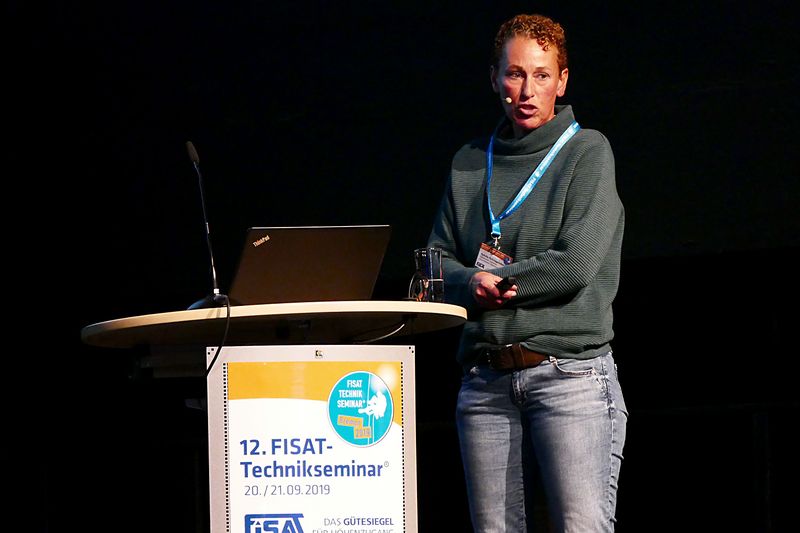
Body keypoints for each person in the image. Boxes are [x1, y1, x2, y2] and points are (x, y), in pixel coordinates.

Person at [426, 13, 628, 532]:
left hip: (569, 376)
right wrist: (469, 282)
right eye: (515, 73)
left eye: (541, 75)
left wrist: (503, 283)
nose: (527, 89)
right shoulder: (470, 163)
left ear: (562, 81)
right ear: (495, 78)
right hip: (485, 381)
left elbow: (576, 264)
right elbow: (433, 264)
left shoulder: (587, 151)